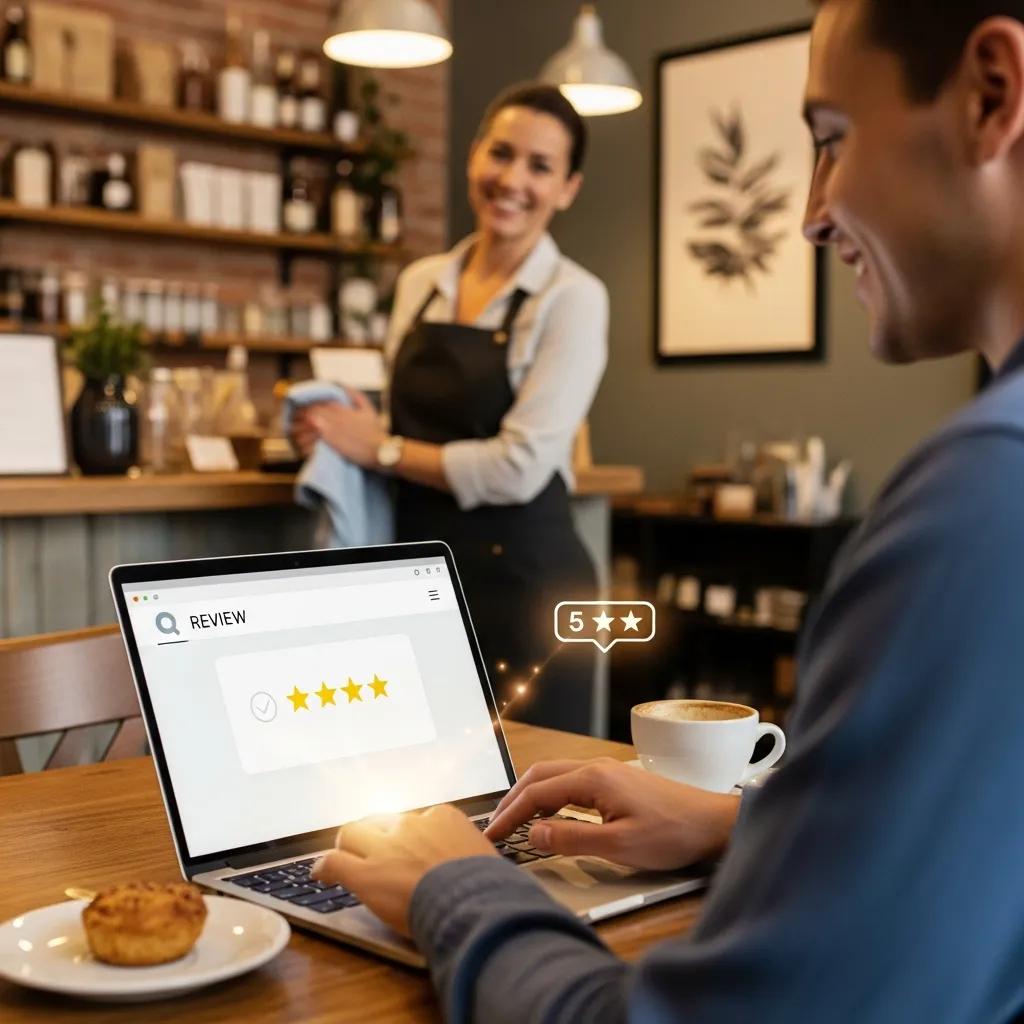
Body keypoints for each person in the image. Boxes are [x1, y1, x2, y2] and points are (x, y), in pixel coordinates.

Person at [312, 1, 1024, 1020]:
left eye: (829, 140)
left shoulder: (982, 502)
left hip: (524, 574)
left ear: (991, 93)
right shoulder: (423, 281)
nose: (810, 213)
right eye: (498, 151)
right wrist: (735, 816)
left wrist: (453, 886)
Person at [293, 84, 607, 734]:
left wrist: (377, 448)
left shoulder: (574, 297)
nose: (513, 180)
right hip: (422, 582)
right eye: (502, 153)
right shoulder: (419, 281)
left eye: (540, 167)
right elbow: (406, 429)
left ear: (569, 188)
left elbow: (518, 466)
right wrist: (341, 432)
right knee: (418, 786)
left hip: (530, 591)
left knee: (537, 803)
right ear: (473, 157)